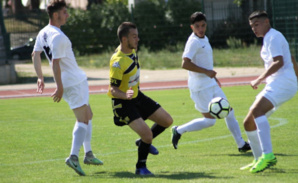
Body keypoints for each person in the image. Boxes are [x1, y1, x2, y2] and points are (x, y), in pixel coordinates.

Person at [32, 0, 103, 176]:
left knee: (88, 115)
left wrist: (40, 77)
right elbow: (55, 64)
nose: (67, 15)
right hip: (73, 83)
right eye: (64, 12)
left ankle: (88, 153)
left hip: (75, 81)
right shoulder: (58, 37)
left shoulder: (44, 33)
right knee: (82, 120)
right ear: (56, 15)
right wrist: (59, 87)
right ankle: (73, 157)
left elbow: (35, 54)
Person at [171, 12, 250, 153]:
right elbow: (185, 64)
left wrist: (211, 76)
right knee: (210, 121)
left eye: (203, 25)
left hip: (210, 84)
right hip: (200, 88)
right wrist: (206, 72)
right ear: (192, 27)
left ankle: (241, 144)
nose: (201, 29)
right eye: (197, 26)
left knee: (229, 112)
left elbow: (205, 63)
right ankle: (178, 130)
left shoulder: (204, 38)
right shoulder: (193, 42)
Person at [108, 22, 173, 175]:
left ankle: (143, 143)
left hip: (137, 96)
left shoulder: (132, 50)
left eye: (137, 36)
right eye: (134, 36)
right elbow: (113, 89)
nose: (138, 39)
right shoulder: (118, 62)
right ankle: (140, 167)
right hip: (123, 103)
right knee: (147, 135)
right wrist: (125, 95)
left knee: (167, 121)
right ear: (124, 39)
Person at [240, 10, 297, 173]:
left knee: (258, 112)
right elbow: (290, 58)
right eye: (251, 26)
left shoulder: (273, 36)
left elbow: (278, 62)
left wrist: (259, 79)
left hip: (282, 83)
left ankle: (268, 155)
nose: (254, 28)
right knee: (248, 121)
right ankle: (258, 159)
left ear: (267, 22)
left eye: (256, 24)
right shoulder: (271, 38)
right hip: (279, 83)